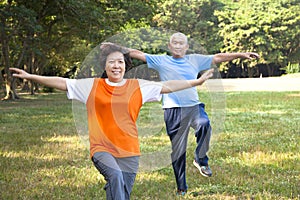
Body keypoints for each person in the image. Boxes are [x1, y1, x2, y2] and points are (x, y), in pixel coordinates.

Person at [9, 44, 214, 200]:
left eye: (120, 62)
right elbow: (62, 82)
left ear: (126, 66)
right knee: (115, 177)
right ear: (105, 66)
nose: (116, 66)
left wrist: (196, 82)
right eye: (112, 62)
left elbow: (167, 86)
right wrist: (30, 76)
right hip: (102, 148)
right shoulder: (92, 86)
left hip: (130, 151)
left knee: (121, 192)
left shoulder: (137, 86)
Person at [102, 32, 260, 196]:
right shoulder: (161, 60)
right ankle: (181, 187)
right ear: (169, 47)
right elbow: (137, 54)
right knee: (178, 151)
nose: (177, 46)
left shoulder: (195, 60)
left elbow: (219, 57)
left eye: (181, 43)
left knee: (204, 124)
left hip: (194, 107)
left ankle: (201, 159)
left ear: (186, 47)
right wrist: (115, 48)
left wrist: (241, 54)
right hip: (173, 111)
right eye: (174, 43)